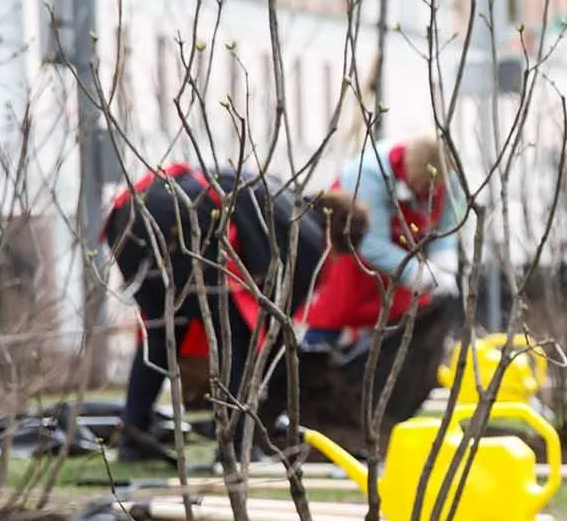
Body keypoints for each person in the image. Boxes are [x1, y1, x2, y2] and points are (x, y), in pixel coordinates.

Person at [101, 162, 363, 465]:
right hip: (182, 219)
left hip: (132, 212)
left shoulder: (282, 198)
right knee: (239, 338)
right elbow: (272, 327)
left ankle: (134, 434)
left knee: (162, 331)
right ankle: (236, 446)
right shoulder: (309, 239)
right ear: (343, 240)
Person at [295, 133, 464, 352]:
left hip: (402, 264)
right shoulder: (370, 175)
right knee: (336, 311)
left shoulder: (446, 177)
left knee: (400, 326)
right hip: (354, 255)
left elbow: (444, 226)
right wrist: (419, 273)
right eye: (418, 187)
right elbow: (371, 244)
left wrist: (445, 268)